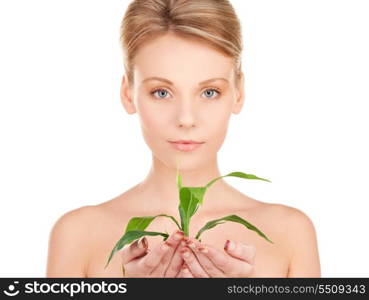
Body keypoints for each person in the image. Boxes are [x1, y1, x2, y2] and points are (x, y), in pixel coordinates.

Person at [46, 0, 321, 278]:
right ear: (128, 94)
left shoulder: (290, 234)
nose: (187, 119)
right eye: (162, 92)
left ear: (239, 93)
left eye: (210, 92)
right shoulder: (78, 236)